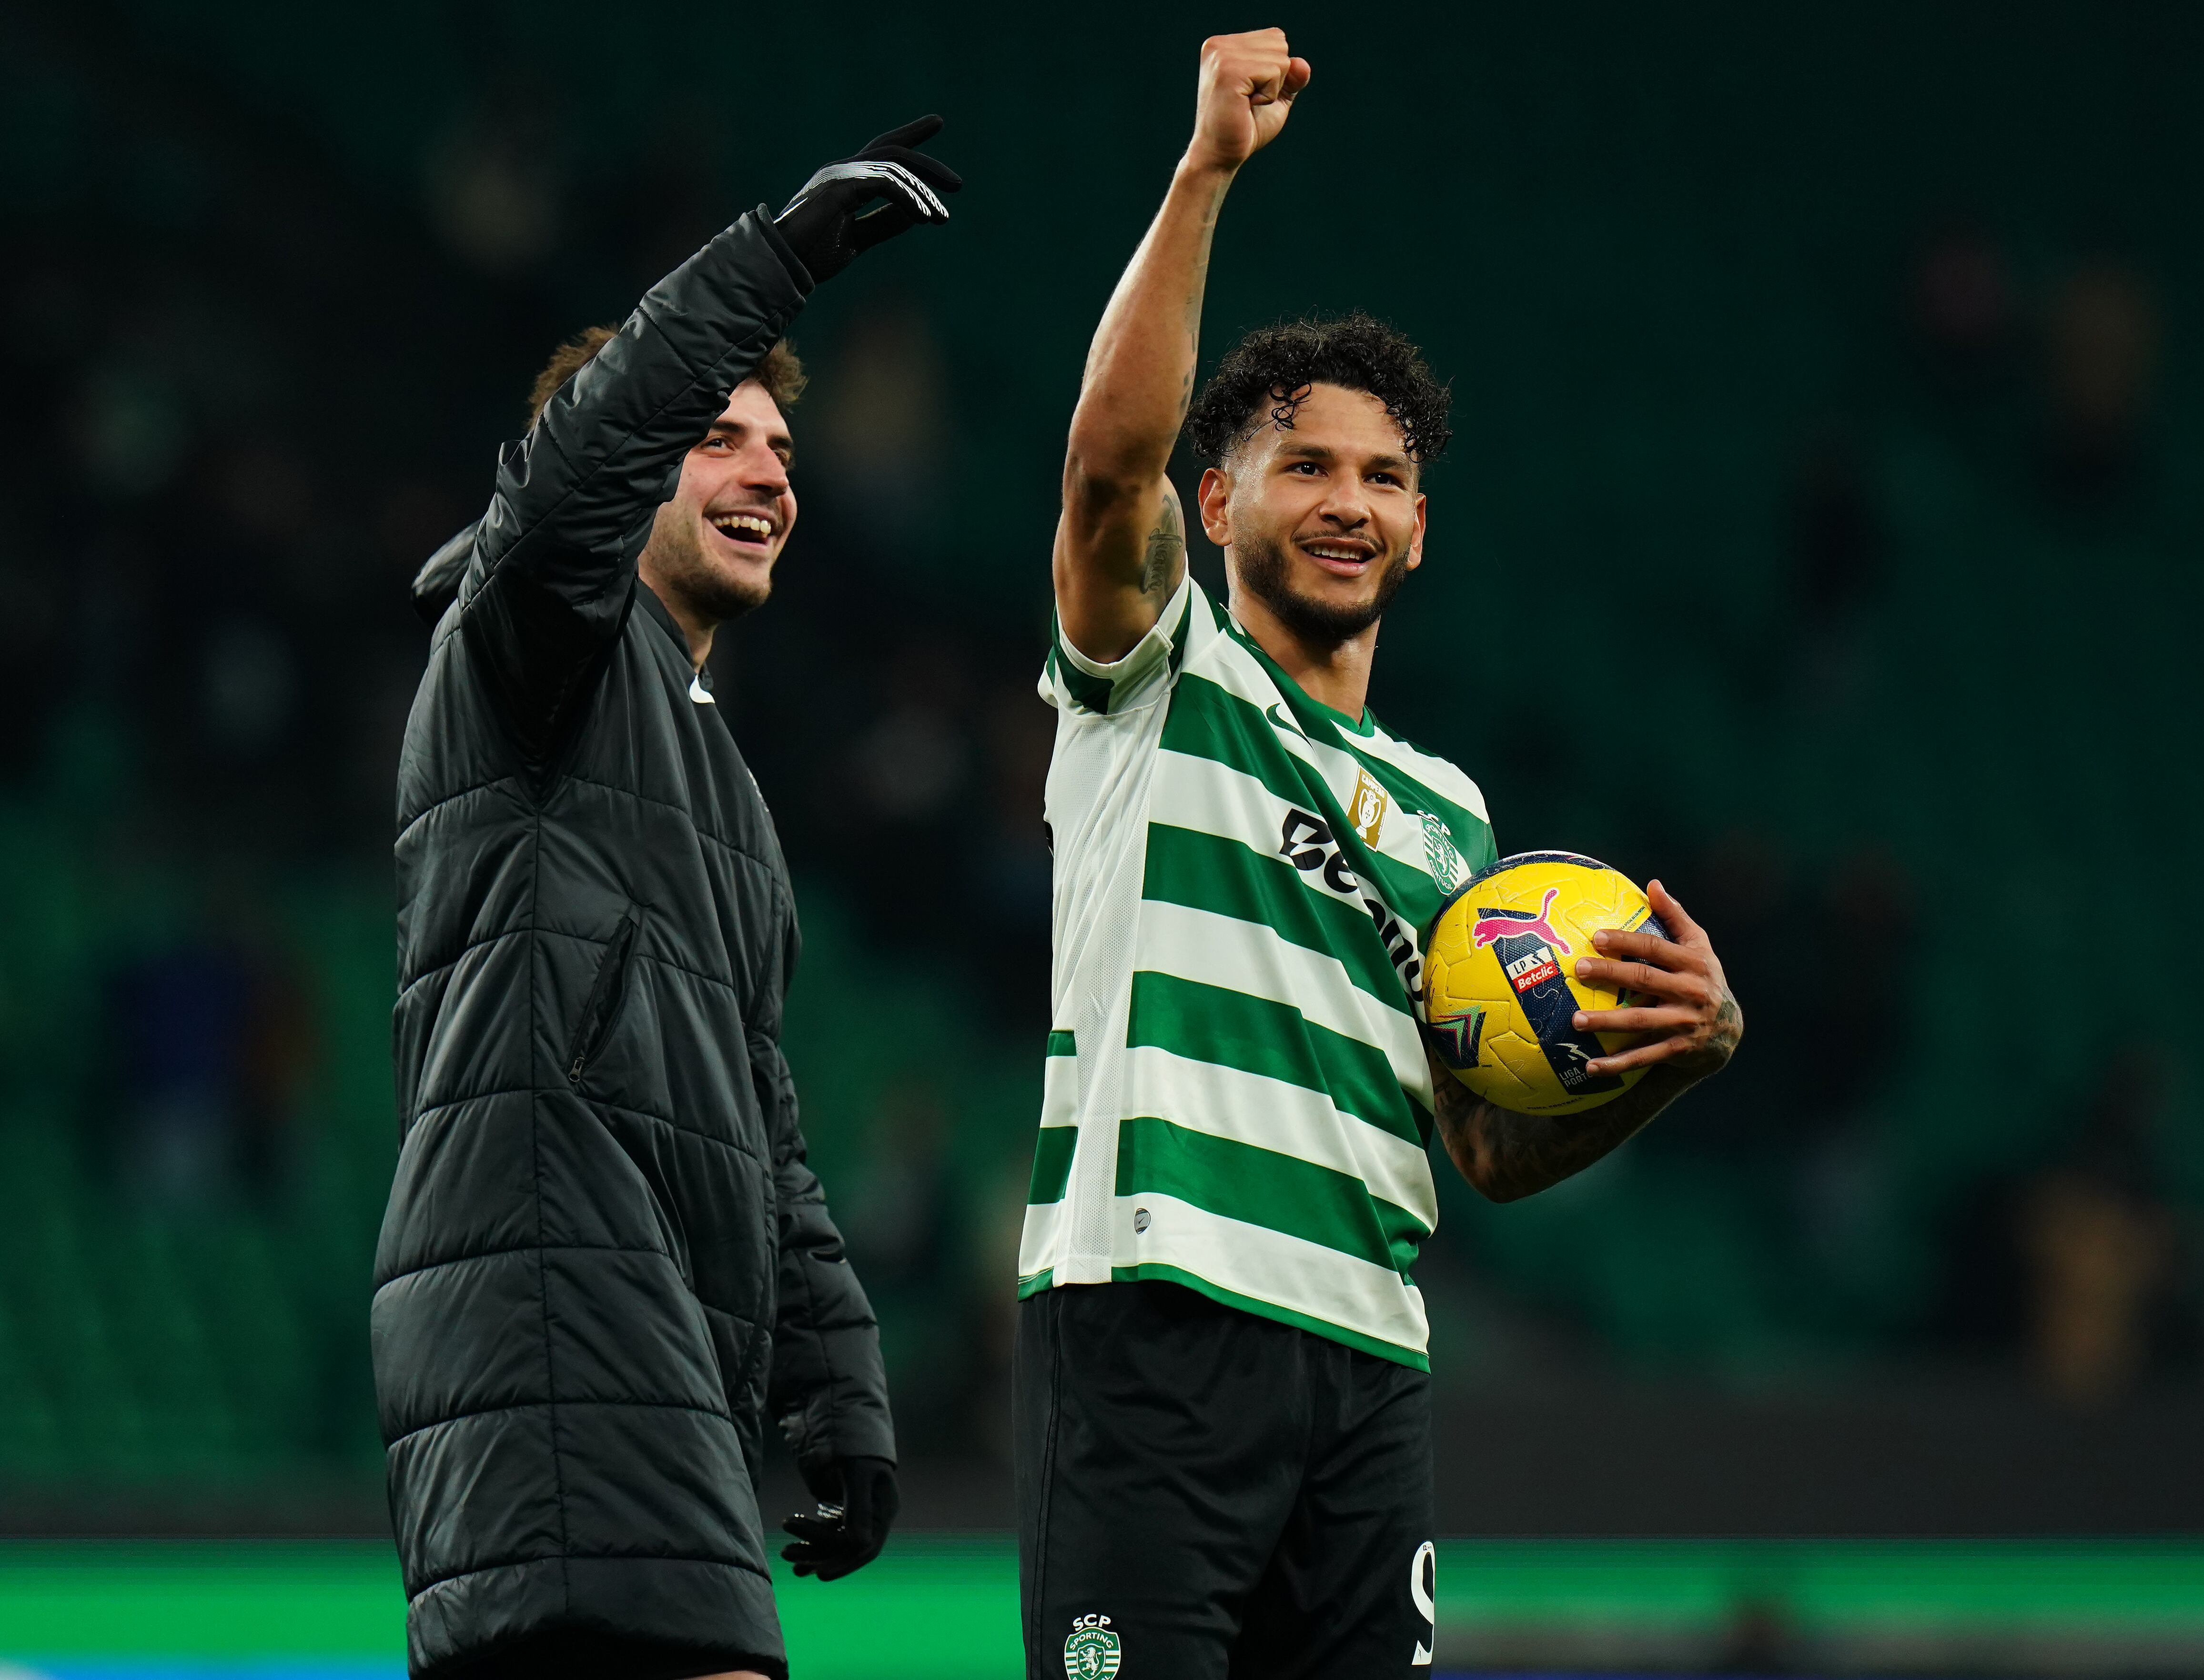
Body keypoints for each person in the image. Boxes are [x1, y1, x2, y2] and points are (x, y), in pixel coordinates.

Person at [1018, 32, 1741, 1678]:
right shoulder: (1155, 677)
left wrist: (1674, 1061)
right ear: (1219, 501)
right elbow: (1101, 464)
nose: (1350, 502)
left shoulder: (1457, 818)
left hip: (1369, 1355)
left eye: (1386, 477)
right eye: (1309, 467)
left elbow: (1485, 1151)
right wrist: (1205, 176)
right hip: (1157, 1312)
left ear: (1420, 528)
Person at [373, 120, 961, 1680]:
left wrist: (837, 1381)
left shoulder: (720, 793)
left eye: (780, 447)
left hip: (649, 1351)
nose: (767, 467)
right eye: (715, 435)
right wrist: (777, 257)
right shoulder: (527, 650)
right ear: (626, 468)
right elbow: (568, 486)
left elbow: (753, 1111)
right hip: (550, 1318)